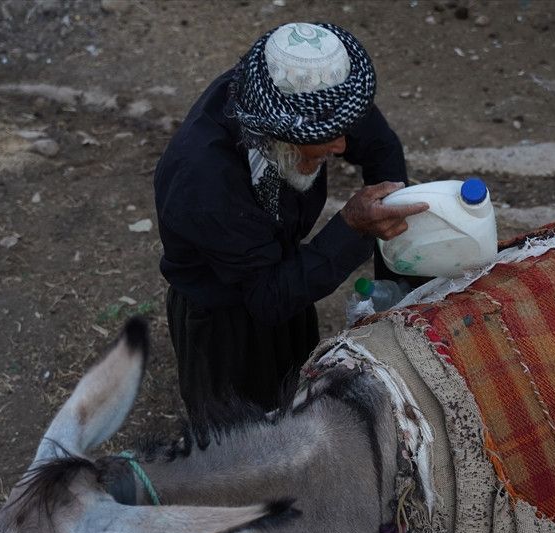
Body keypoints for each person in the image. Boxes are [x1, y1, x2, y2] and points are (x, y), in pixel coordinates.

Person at [153, 21, 427, 420]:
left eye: (343, 128)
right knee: (241, 444)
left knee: (298, 403)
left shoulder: (313, 93)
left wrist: (395, 270)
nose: (342, 145)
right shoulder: (204, 182)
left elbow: (379, 146)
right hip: (224, 317)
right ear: (277, 134)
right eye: (328, 137)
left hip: (283, 280)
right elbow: (266, 298)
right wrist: (351, 228)